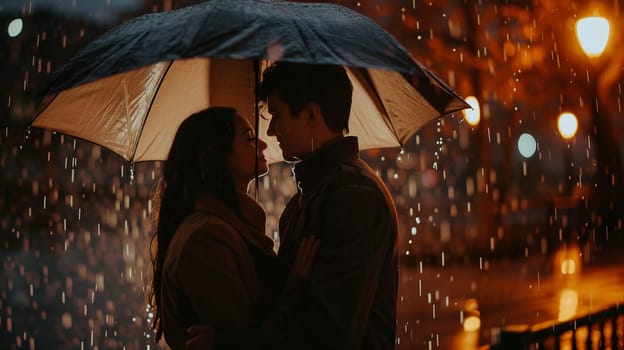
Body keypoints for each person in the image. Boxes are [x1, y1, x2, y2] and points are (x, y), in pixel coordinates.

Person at [188, 62, 399, 349]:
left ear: (311, 113)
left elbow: (328, 336)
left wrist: (227, 344)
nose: (272, 131)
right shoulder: (309, 198)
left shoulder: (354, 198)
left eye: (276, 114)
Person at [147, 106, 318, 349]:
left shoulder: (230, 227)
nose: (262, 144)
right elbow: (243, 337)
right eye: (248, 138)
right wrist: (294, 287)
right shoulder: (205, 239)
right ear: (218, 154)